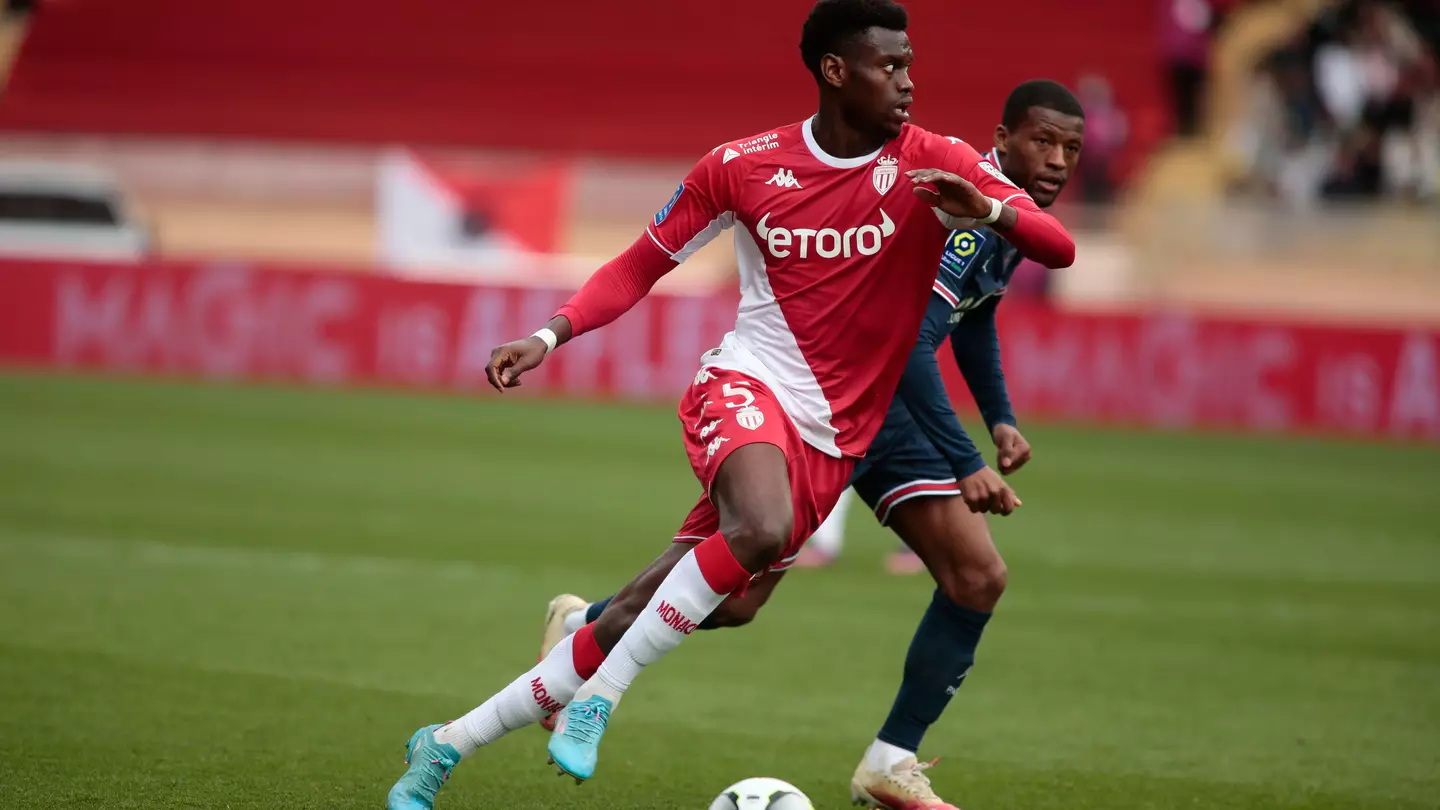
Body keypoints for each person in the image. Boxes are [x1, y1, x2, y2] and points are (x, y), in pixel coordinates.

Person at [386, 1, 1075, 805]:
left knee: (696, 603)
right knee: (761, 527)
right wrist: (550, 334)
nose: (908, 82)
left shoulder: (936, 163)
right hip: (748, 384)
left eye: (910, 64)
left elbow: (1053, 246)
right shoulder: (743, 165)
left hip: (835, 436)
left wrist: (986, 207)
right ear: (834, 70)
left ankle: (445, 743)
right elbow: (639, 264)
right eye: (890, 65)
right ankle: (600, 701)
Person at [549, 79, 1086, 810]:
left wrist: (998, 416)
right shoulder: (964, 214)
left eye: (1071, 150)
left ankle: (889, 761)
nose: (1056, 160)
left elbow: (976, 317)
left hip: (891, 409)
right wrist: (965, 463)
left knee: (976, 577)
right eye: (1043, 142)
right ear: (1003, 137)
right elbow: (917, 344)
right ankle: (584, 629)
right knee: (737, 597)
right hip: (850, 400)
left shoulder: (1001, 214)